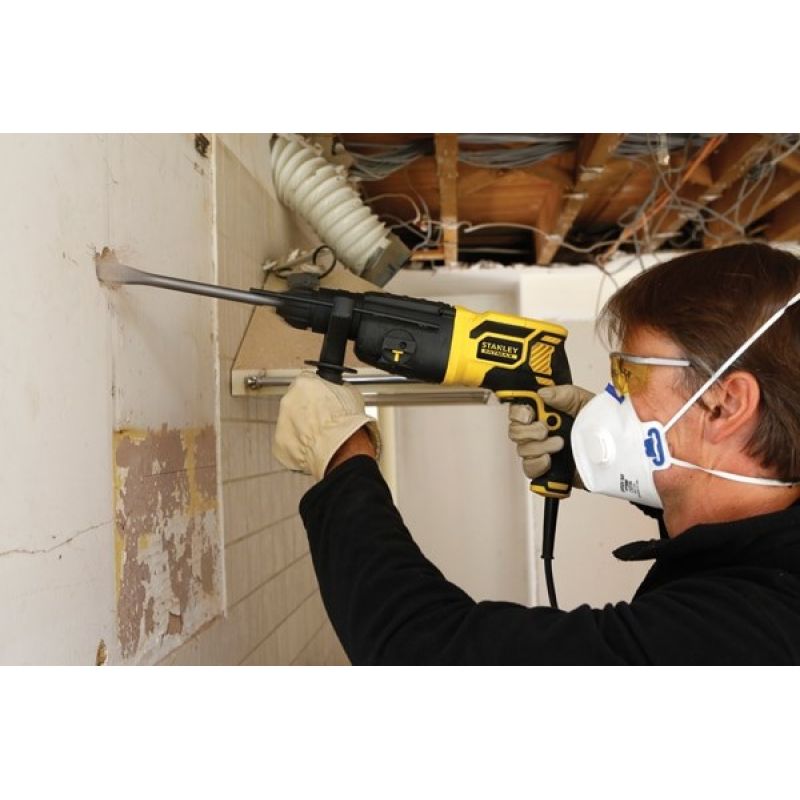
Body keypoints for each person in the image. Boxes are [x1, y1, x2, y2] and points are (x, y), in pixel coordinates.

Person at [273, 243, 800, 664]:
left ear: (725, 405)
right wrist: (621, 470)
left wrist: (343, 457)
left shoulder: (747, 639)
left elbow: (426, 652)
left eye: (630, 374)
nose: (613, 396)